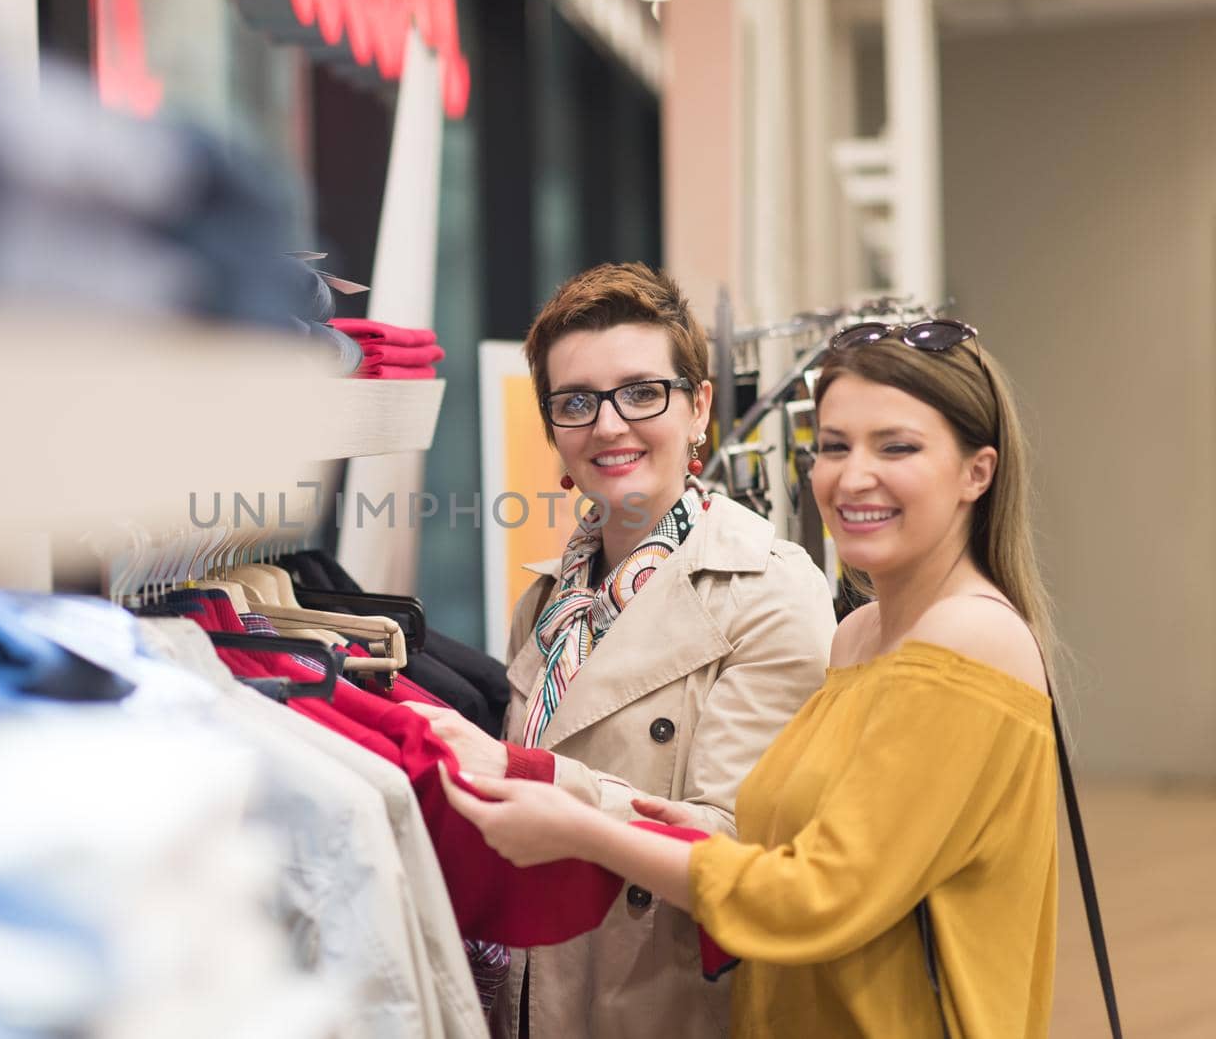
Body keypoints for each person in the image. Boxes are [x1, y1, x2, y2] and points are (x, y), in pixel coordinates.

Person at [440, 316, 1061, 1038]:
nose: (852, 475)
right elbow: (791, 841)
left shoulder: (962, 635)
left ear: (976, 472)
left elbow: (818, 893)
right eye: (833, 446)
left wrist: (582, 824)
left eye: (897, 447)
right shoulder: (860, 633)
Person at [404, 263, 835, 1039]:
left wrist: (536, 783)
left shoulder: (771, 592)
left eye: (642, 393)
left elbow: (743, 849)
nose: (608, 426)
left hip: (663, 1003)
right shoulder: (551, 597)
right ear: (550, 429)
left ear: (699, 406)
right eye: (575, 402)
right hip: (536, 990)